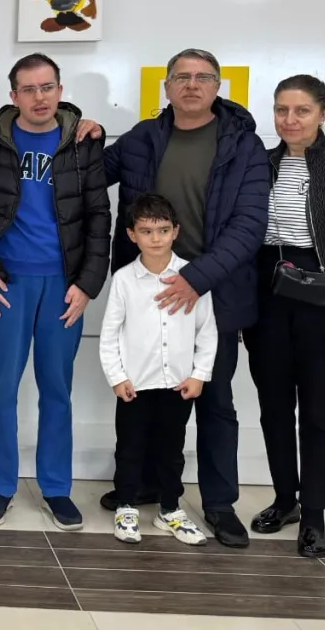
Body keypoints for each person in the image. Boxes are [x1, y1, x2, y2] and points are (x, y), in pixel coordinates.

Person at [101, 48, 270, 549]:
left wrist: (196, 278)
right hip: (149, 294)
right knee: (147, 399)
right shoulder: (141, 138)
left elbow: (249, 225)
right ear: (167, 86)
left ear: (218, 86)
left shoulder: (244, 146)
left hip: (214, 291)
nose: (192, 85)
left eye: (202, 77)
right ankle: (148, 485)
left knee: (213, 401)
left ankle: (219, 503)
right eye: (182, 77)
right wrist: (79, 126)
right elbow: (87, 172)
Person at [0, 54, 111, 531]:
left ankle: (56, 487)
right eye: (29, 89)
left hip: (63, 286)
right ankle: (0, 485)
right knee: (1, 388)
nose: (39, 97)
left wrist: (87, 284)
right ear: (14, 96)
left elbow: (99, 217)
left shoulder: (83, 143)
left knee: (56, 389)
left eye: (47, 87)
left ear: (60, 91)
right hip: (6, 284)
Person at [242, 75, 325, 559]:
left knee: (320, 411)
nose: (290, 120)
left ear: (323, 113)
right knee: (274, 407)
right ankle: (286, 500)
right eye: (281, 110)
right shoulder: (261, 161)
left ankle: (314, 513)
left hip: (324, 300)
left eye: (301, 110)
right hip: (267, 296)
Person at [100, 193, 214, 546]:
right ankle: (127, 506)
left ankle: (170, 509)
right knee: (130, 447)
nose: (155, 238)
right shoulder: (124, 280)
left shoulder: (193, 277)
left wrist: (199, 374)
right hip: (135, 385)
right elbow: (109, 335)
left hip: (177, 384)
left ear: (175, 231)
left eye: (163, 230)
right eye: (146, 231)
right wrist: (118, 377)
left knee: (171, 449)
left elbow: (207, 331)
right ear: (132, 234)